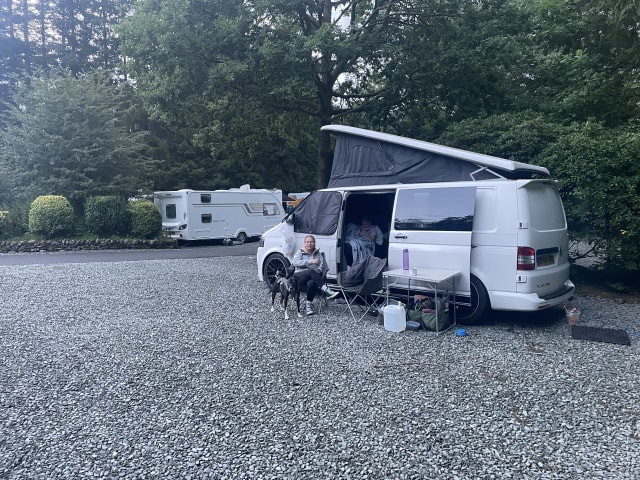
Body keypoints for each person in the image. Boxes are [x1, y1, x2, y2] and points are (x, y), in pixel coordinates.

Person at [292, 235, 339, 315]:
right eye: (307, 242)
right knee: (311, 271)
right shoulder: (300, 252)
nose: (309, 244)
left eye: (311, 242)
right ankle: (326, 289)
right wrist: (310, 262)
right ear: (304, 243)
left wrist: (310, 271)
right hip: (299, 277)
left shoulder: (318, 254)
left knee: (312, 282)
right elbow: (295, 262)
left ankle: (308, 306)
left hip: (312, 277)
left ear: (314, 243)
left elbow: (320, 268)